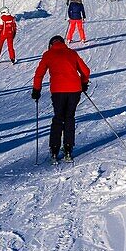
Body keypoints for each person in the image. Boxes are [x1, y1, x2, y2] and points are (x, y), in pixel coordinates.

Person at [31, 35, 91, 163]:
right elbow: (85, 71)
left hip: (58, 91)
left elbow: (39, 74)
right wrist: (83, 83)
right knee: (69, 117)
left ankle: (54, 150)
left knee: (58, 118)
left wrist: (36, 90)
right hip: (74, 90)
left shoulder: (48, 54)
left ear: (51, 44)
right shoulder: (72, 53)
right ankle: (68, 149)